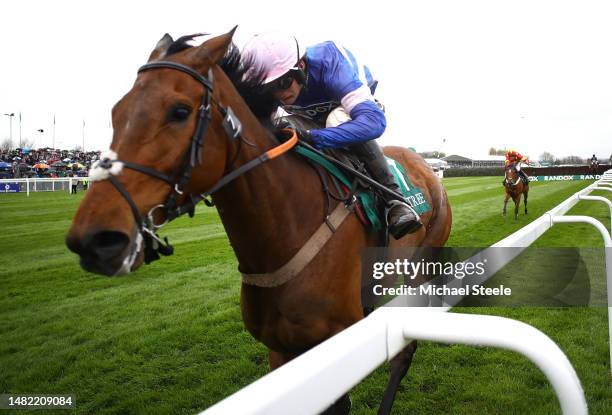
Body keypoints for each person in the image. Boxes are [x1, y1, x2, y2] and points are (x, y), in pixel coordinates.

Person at [241, 32, 422, 239]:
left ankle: (395, 200)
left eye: (283, 83)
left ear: (300, 65)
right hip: (307, 118)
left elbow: (374, 122)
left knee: (336, 119)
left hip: (350, 109)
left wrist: (314, 137)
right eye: (268, 89)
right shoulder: (271, 86)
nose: (279, 94)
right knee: (277, 127)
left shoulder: (329, 61)